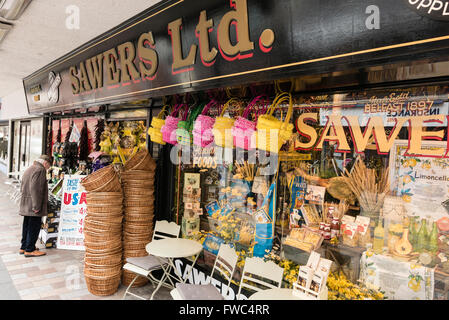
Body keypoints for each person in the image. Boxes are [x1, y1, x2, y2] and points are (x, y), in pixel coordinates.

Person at [19, 155, 51, 257]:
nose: (47, 169)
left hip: (26, 202)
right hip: (33, 205)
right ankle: (30, 249)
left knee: (27, 225)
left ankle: (24, 247)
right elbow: (36, 189)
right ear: (45, 163)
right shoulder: (40, 170)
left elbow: (23, 184)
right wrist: (36, 206)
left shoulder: (30, 168)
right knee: (34, 226)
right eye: (48, 167)